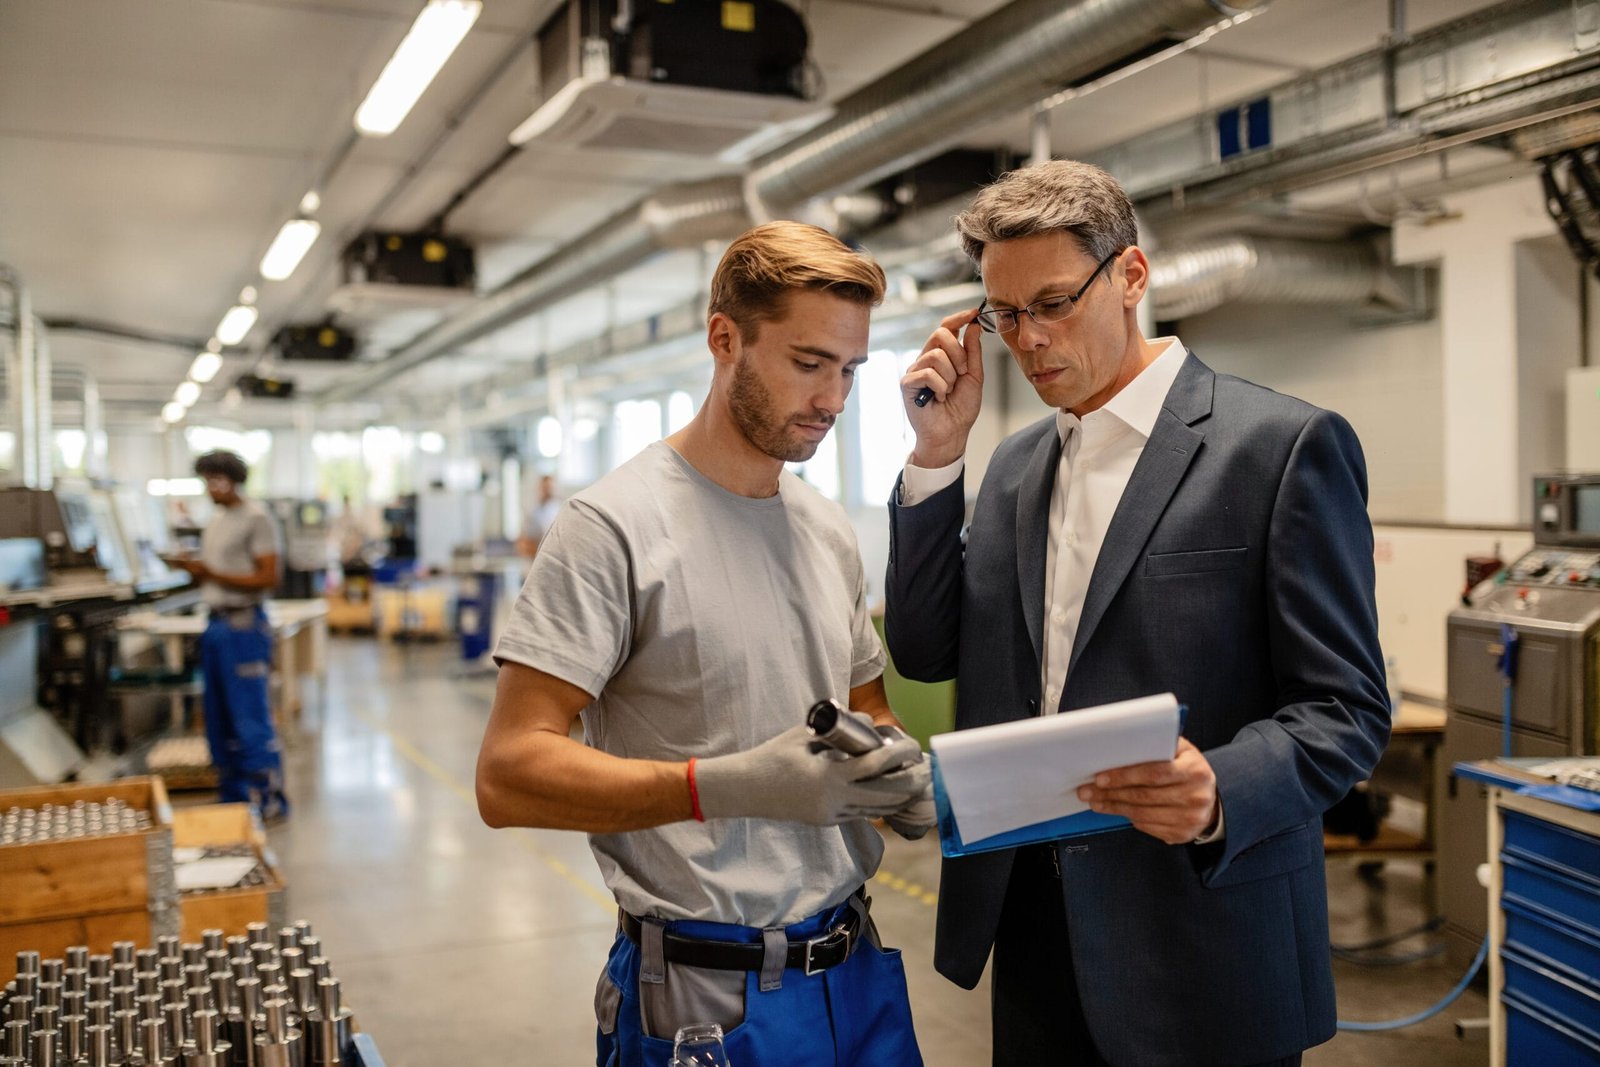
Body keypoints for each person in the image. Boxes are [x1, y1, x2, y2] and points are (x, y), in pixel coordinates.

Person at [884, 161, 1390, 1066]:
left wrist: (1218, 791)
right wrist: (935, 457)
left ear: (1130, 275)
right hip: (1035, 926)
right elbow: (924, 653)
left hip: (1201, 929)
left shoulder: (1277, 448)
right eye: (1004, 316)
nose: (1029, 340)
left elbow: (1346, 711)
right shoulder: (1010, 468)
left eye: (1053, 303)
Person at [477, 221, 934, 1067]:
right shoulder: (611, 528)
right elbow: (508, 774)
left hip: (856, 971)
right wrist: (723, 785)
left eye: (850, 369)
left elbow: (869, 710)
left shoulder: (828, 531)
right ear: (724, 339)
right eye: (808, 363)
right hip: (705, 998)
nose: (833, 398)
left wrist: (896, 776)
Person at [170, 450, 290, 821]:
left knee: (249, 718)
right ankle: (235, 802)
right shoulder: (217, 519)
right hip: (216, 625)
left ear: (233, 480)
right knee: (219, 720)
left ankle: (269, 801)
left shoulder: (257, 518)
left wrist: (211, 574)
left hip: (243, 626)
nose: (210, 488)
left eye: (215, 480)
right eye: (205, 480)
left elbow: (269, 577)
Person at [515, 473, 561, 558]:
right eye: (545, 488)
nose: (548, 491)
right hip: (535, 558)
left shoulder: (560, 510)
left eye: (550, 488)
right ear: (540, 488)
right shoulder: (533, 512)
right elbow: (523, 541)